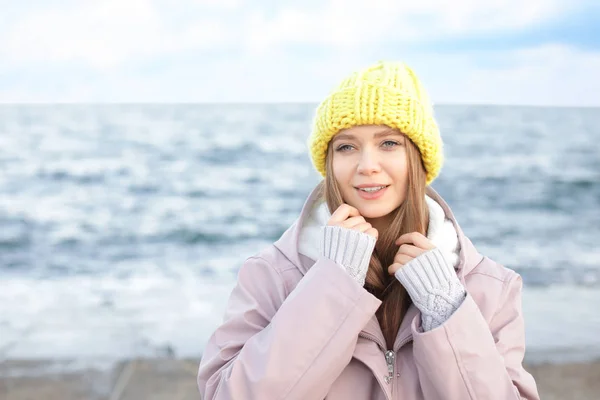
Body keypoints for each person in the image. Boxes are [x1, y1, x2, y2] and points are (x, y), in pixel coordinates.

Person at [197, 61, 540, 399]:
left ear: (419, 158)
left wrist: (445, 307)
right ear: (329, 162)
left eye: (389, 143)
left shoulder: (490, 287)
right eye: (346, 147)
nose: (367, 166)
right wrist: (333, 282)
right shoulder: (272, 274)